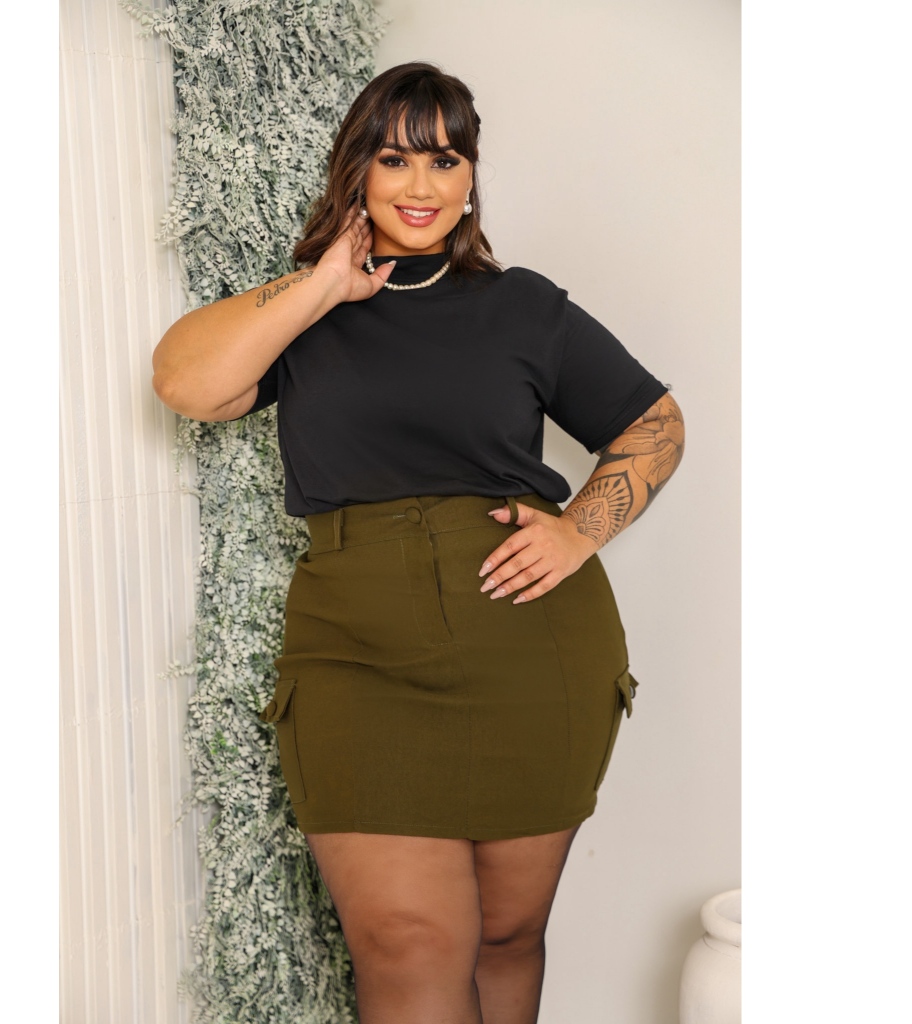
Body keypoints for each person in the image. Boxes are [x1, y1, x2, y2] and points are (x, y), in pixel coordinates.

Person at [152, 61, 684, 1024]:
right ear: (357, 170)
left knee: (506, 938)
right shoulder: (303, 314)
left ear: (471, 177)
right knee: (408, 944)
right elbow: (186, 384)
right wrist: (325, 284)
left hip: (528, 645)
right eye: (395, 159)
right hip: (356, 652)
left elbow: (655, 423)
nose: (422, 184)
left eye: (445, 159)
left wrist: (579, 530)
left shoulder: (523, 307)